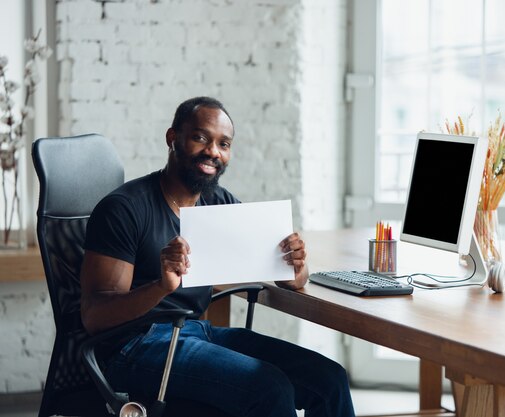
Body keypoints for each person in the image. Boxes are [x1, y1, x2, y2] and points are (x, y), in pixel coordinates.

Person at [79, 96, 356, 417]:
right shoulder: (125, 208)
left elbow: (286, 276)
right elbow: (95, 318)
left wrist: (296, 265)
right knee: (269, 386)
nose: (213, 151)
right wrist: (160, 287)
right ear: (173, 139)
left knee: (329, 379)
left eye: (224, 144)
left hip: (195, 331)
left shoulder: (218, 202)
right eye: (200, 138)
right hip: (133, 347)